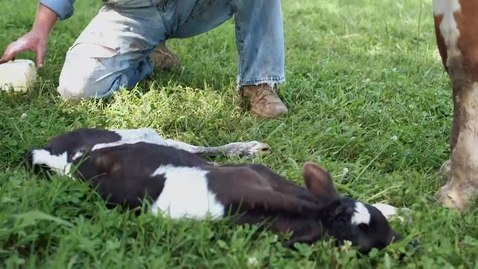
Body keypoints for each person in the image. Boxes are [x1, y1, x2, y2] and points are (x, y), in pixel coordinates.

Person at [0, 0, 289, 118]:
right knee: (77, 88)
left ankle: (259, 82)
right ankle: (151, 57)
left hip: (192, 4)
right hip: (133, 12)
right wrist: (39, 30)